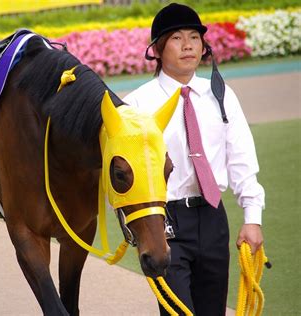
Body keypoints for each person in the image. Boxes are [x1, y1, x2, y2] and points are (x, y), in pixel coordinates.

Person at [123, 3, 265, 315]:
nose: (188, 45)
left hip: (214, 218)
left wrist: (252, 219)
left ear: (204, 46)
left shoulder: (221, 94)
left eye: (194, 37)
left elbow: (241, 157)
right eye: (176, 38)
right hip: (165, 223)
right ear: (157, 50)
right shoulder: (136, 105)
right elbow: (124, 173)